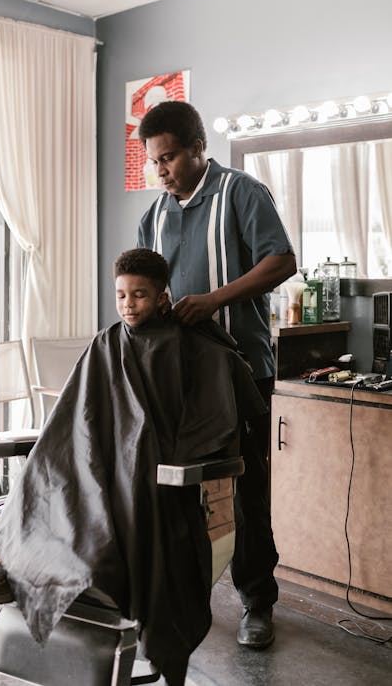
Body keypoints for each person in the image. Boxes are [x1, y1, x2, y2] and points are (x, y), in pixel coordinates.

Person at [0, 247, 265, 686]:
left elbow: (214, 418)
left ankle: (8, 567)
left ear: (163, 297)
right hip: (90, 459)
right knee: (42, 476)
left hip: (148, 474)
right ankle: (0, 566)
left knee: (94, 510)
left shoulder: (187, 346)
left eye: (139, 295)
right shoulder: (106, 341)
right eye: (120, 295)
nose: (128, 304)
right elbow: (73, 416)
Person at [137, 100, 297, 649]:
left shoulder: (241, 193)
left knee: (247, 492)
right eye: (155, 161)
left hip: (241, 374)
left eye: (171, 157)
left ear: (199, 148)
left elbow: (282, 261)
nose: (162, 170)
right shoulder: (153, 215)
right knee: (176, 493)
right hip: (177, 382)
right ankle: (184, 597)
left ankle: (257, 602)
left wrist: (213, 301)